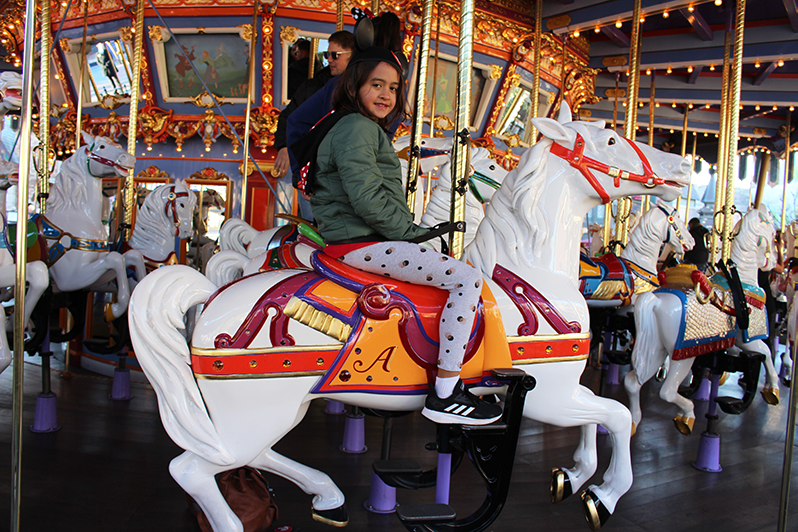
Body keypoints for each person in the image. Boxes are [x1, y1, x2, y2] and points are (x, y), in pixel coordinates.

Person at [306, 47, 501, 425]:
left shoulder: (355, 127)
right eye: (376, 85)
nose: (386, 95)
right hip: (362, 243)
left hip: (358, 238)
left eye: (393, 88)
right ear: (354, 87)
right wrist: (409, 233)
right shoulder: (357, 128)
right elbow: (367, 195)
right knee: (466, 278)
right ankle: (446, 391)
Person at [273, 30, 355, 220]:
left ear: (352, 56)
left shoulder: (357, 88)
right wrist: (284, 146)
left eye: (336, 55)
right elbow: (290, 117)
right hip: (314, 174)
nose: (330, 60)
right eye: (327, 55)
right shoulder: (314, 86)